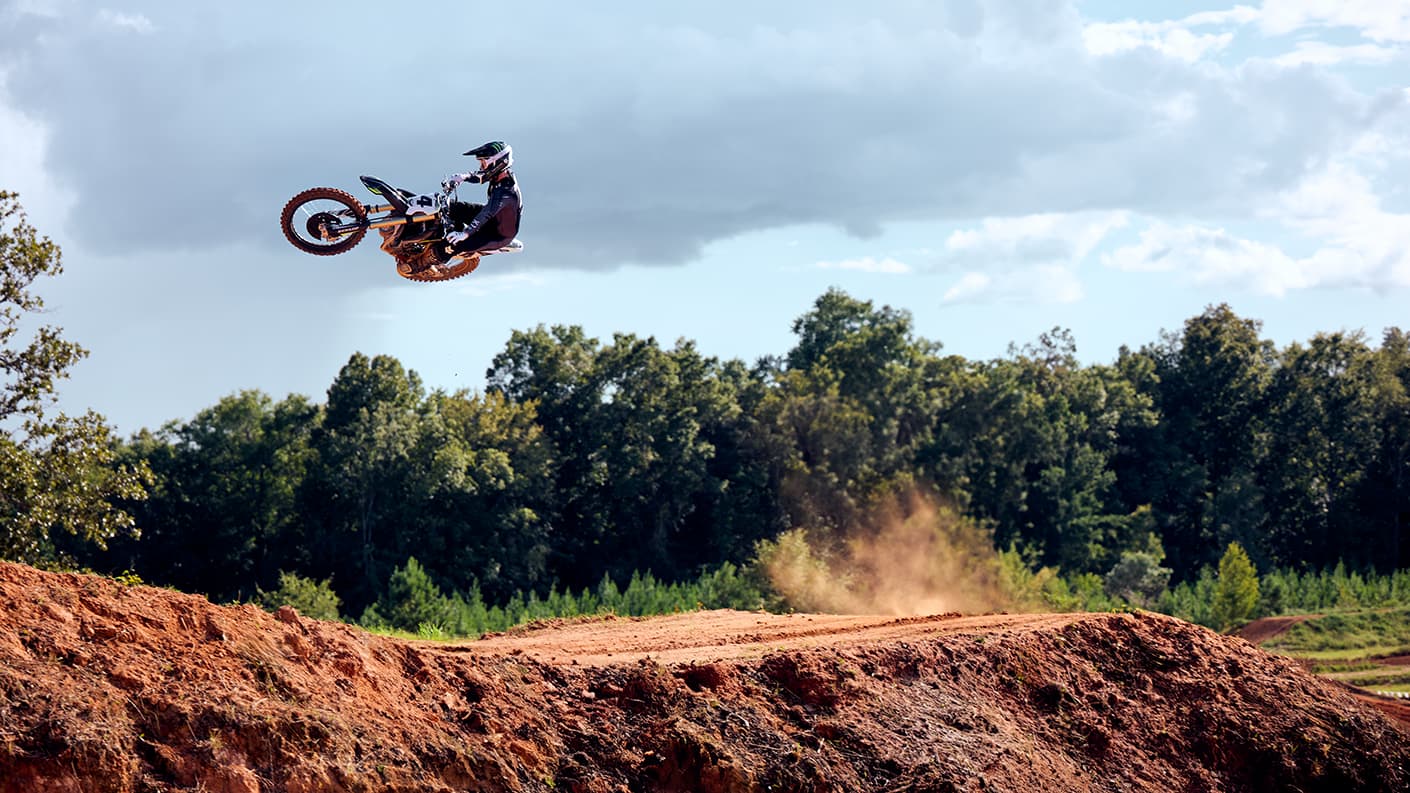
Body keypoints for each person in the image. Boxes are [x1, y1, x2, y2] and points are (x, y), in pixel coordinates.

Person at [440, 141, 522, 264]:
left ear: (498, 162)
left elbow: (487, 213)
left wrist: (465, 234)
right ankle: (447, 230)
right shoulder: (499, 173)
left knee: (448, 247)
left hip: (497, 234)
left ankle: (430, 263)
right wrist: (461, 177)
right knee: (450, 206)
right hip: (493, 220)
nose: (482, 166)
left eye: (484, 162)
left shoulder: (506, 191)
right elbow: (480, 176)